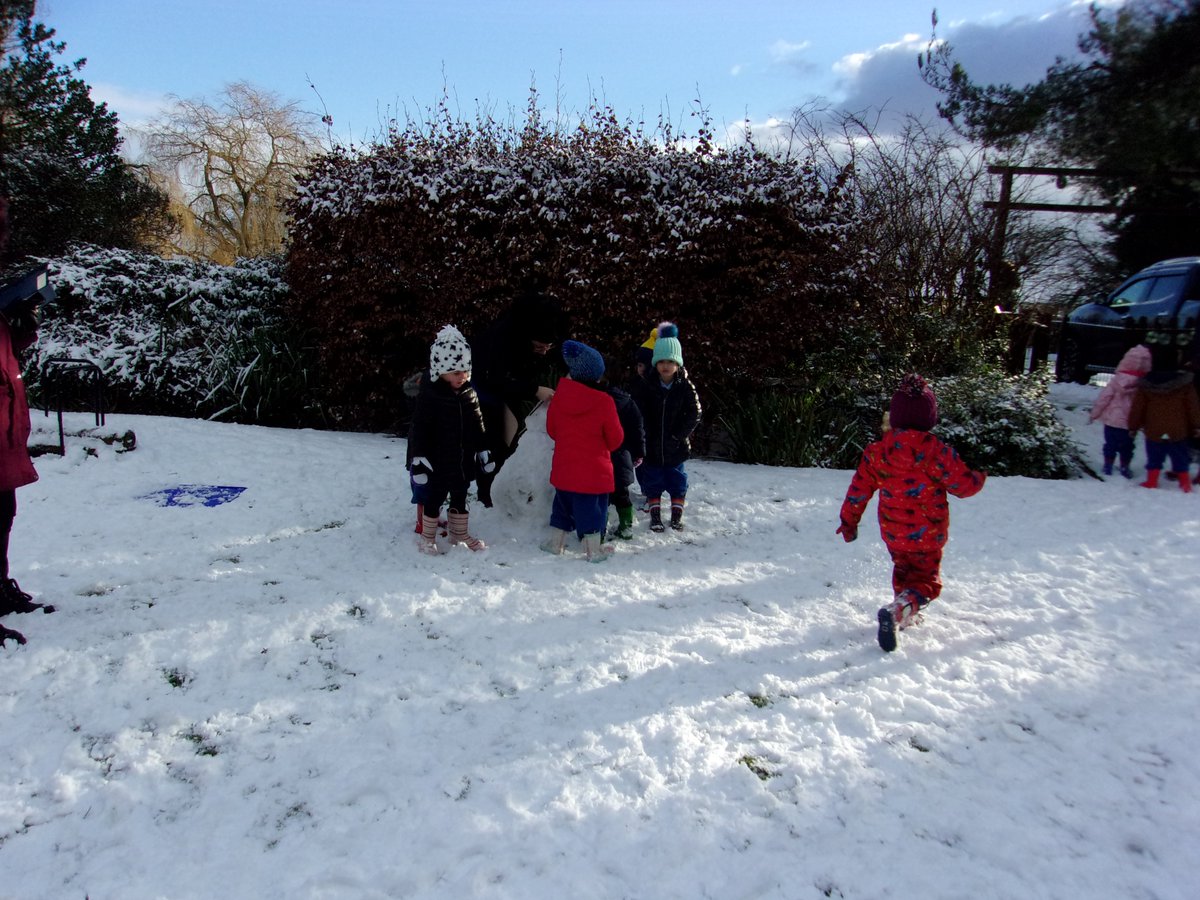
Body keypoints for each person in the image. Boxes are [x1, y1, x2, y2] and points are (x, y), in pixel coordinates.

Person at [837, 373, 986, 653]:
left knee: (903, 569)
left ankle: (902, 614)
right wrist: (979, 474)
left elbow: (859, 489)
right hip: (927, 532)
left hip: (893, 531)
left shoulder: (878, 451)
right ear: (929, 417)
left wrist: (849, 521)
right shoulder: (936, 451)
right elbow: (963, 486)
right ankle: (897, 611)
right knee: (927, 582)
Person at [0, 197, 53, 647]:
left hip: (5, 425)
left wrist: (21, 320)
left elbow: (7, 347)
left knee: (2, 514)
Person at [470, 292, 568, 505]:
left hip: (511, 384)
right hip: (486, 389)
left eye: (548, 347)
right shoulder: (501, 339)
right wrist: (534, 389)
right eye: (539, 347)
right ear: (527, 337)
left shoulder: (548, 327)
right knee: (494, 443)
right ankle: (486, 497)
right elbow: (496, 380)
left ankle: (505, 490)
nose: (544, 352)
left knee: (511, 439)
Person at [408, 325, 493, 554]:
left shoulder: (469, 393)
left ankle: (459, 532)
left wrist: (483, 448)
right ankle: (428, 536)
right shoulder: (430, 395)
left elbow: (478, 423)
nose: (462, 376)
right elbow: (420, 429)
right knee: (434, 498)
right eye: (456, 372)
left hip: (462, 460)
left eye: (465, 370)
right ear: (441, 371)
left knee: (460, 494)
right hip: (437, 460)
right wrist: (419, 458)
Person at [542, 340, 624, 562]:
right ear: (597, 375)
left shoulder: (559, 398)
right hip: (593, 475)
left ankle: (555, 544)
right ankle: (593, 551)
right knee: (591, 513)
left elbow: (552, 430)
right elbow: (615, 439)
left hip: (564, 470)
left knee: (562, 507)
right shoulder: (604, 402)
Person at [629, 322, 702, 533]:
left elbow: (695, 411)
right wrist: (645, 436)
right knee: (653, 481)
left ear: (678, 363)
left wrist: (678, 435)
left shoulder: (685, 386)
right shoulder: (648, 385)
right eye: (661, 361)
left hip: (675, 446)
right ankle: (655, 515)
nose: (665, 365)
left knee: (677, 480)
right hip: (652, 445)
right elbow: (640, 413)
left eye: (670, 361)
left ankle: (677, 514)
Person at [1128, 343, 1200, 492]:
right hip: (1179, 429)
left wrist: (1133, 426)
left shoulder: (1146, 385)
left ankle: (1152, 480)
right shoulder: (1185, 384)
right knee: (1180, 455)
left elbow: (1137, 408)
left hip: (1154, 428)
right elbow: (1192, 407)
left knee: (1154, 456)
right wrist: (1196, 425)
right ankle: (1185, 483)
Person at [1088, 344, 1151, 478]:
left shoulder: (1116, 381)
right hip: (1130, 423)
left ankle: (1108, 465)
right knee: (1127, 447)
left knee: (1110, 444)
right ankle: (1125, 466)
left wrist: (1095, 414)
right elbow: (1145, 405)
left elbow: (1104, 398)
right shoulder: (1144, 385)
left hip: (1112, 420)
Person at [602, 362, 645, 541]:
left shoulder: (597, 399)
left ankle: (599, 531)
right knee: (622, 495)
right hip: (622, 456)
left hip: (601, 458)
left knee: (601, 497)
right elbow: (637, 428)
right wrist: (638, 452)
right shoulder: (627, 401)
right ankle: (626, 526)